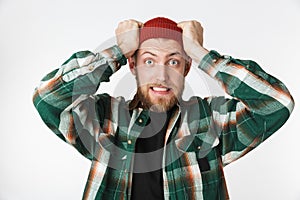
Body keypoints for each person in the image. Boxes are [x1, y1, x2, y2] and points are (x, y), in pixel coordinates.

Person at [33, 17, 294, 200]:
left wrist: (201, 53)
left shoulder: (211, 119)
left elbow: (277, 103)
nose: (161, 75)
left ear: (186, 69)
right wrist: (117, 51)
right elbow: (47, 98)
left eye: (173, 61)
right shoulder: (104, 117)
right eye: (149, 60)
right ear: (132, 66)